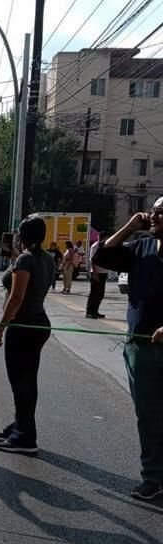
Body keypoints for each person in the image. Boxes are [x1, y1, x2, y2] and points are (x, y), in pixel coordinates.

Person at [93, 196, 163, 500]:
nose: (154, 217)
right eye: (154, 212)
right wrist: (130, 227)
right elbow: (102, 257)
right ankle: (153, 477)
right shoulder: (140, 248)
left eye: (161, 213)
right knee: (147, 415)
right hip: (140, 347)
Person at [0, 216, 54, 455]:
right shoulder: (45, 258)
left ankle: (25, 437)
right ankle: (20, 424)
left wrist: (0, 328)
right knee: (28, 380)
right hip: (39, 322)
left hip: (24, 326)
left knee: (20, 382)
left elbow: (16, 297)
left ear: (22, 235)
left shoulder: (26, 260)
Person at [86, 233, 109, 319]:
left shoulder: (105, 246)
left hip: (103, 272)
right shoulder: (95, 246)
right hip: (97, 273)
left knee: (100, 294)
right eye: (106, 238)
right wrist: (95, 274)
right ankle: (89, 312)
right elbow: (92, 260)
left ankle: (95, 311)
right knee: (94, 293)